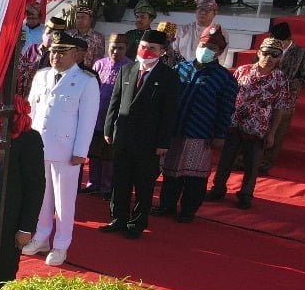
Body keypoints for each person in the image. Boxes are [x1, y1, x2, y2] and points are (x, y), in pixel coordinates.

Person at [21, 32, 100, 267]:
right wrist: (27, 142)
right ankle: (42, 236)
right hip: (39, 146)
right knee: (41, 195)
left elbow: (87, 120)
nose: (55, 56)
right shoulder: (42, 76)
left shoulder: (86, 81)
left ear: (75, 55)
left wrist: (80, 151)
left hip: (66, 150)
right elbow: (31, 112)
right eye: (53, 51)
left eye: (62, 52)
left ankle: (61, 244)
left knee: (64, 201)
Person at [156, 24, 239, 222]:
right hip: (175, 130)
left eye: (212, 47)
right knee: (170, 172)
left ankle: (187, 211)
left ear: (219, 52)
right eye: (204, 45)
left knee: (194, 177)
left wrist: (219, 135)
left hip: (200, 134)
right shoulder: (180, 68)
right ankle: (166, 206)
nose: (207, 50)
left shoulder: (224, 79)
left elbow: (225, 110)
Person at [101, 29, 179, 239]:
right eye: (144, 47)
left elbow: (169, 112)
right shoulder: (128, 69)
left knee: (143, 183)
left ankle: (137, 222)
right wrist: (109, 129)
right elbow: (115, 102)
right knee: (121, 180)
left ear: (162, 51)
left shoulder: (169, 76)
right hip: (123, 136)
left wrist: (163, 141)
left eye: (152, 48)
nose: (146, 51)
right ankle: (119, 217)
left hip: (149, 140)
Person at [208, 38, 288, 209]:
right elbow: (228, 97)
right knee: (225, 160)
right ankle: (218, 188)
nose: (269, 58)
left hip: (258, 128)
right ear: (259, 53)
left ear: (279, 57)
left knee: (252, 165)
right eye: (266, 53)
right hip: (233, 123)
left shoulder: (280, 79)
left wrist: (272, 133)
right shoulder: (242, 70)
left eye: (274, 55)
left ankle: (246, 194)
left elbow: (280, 108)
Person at [0, 96, 45, 287]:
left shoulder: (29, 139)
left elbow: (36, 187)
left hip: (11, 220)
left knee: (3, 272)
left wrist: (26, 228)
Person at [261, 19, 305, 171]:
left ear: (288, 40)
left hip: (286, 99)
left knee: (277, 132)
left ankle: (265, 163)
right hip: (263, 96)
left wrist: (287, 86)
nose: (277, 45)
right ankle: (244, 160)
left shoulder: (302, 52)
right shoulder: (267, 47)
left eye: (280, 42)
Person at [83, 32, 131, 196]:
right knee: (94, 153)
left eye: (120, 48)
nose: (116, 51)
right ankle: (93, 184)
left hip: (116, 119)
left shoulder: (130, 67)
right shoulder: (99, 64)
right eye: (113, 47)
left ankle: (107, 187)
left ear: (127, 49)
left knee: (110, 155)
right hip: (96, 116)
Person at [16, 16, 66, 96]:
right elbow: (22, 69)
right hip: (26, 92)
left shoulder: (60, 56)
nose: (50, 36)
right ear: (43, 32)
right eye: (48, 32)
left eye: (54, 34)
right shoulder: (32, 48)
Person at [72, 4, 105, 69]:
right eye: (78, 18)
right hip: (69, 70)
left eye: (83, 17)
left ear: (90, 19)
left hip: (87, 72)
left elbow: (98, 59)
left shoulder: (98, 37)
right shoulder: (69, 34)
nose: (79, 20)